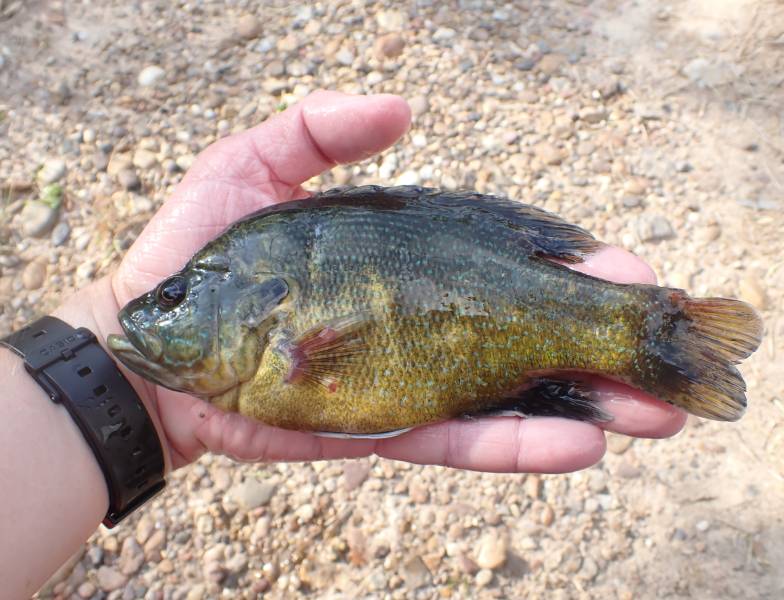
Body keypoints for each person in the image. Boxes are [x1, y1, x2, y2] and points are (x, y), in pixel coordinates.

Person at [0, 91, 686, 596]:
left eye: (176, 295)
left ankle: (638, 330)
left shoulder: (264, 319)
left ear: (254, 308)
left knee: (623, 346)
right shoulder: (251, 307)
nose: (150, 313)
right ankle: (635, 334)